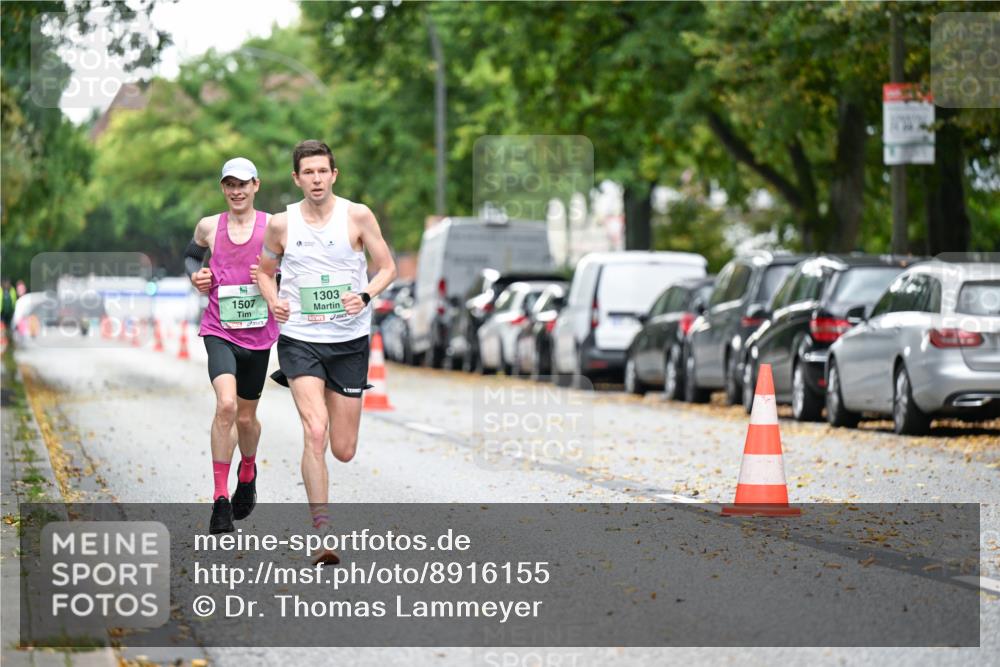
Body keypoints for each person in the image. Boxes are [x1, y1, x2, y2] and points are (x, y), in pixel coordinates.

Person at [255, 140, 396, 564]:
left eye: (323, 171)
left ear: (334, 175)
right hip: (300, 337)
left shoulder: (357, 215)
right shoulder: (281, 225)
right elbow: (263, 273)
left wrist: (366, 295)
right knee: (315, 431)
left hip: (349, 341)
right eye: (308, 173)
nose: (316, 179)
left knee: (344, 448)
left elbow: (387, 266)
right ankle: (322, 533)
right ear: (296, 179)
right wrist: (272, 299)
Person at [185, 157, 279, 534]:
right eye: (229, 184)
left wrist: (273, 275)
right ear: (223, 188)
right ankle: (220, 500)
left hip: (258, 334)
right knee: (225, 405)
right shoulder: (209, 226)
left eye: (243, 184)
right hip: (219, 329)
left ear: (256, 185)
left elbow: (294, 267)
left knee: (245, 418)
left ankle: (248, 469)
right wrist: (197, 275)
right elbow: (192, 255)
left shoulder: (273, 226)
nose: (236, 191)